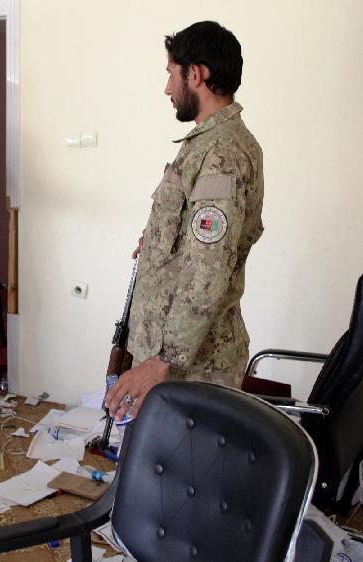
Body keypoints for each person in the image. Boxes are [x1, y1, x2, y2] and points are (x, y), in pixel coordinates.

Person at [105, 21, 264, 422]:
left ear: (196, 74)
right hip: (180, 360)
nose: (167, 89)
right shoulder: (209, 144)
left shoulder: (221, 152)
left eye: (170, 74)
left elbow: (207, 272)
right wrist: (159, 238)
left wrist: (162, 361)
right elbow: (199, 237)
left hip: (191, 368)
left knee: (184, 480)